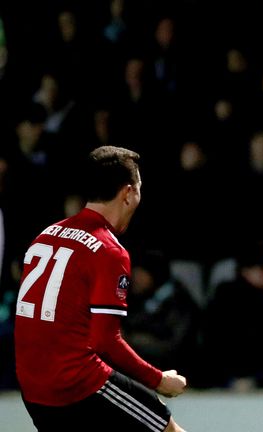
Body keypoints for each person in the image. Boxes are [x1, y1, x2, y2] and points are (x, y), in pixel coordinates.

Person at [14, 146, 187, 432]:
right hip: (77, 386)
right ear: (129, 193)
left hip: (34, 391)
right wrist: (159, 380)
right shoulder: (108, 251)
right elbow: (105, 341)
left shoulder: (44, 236)